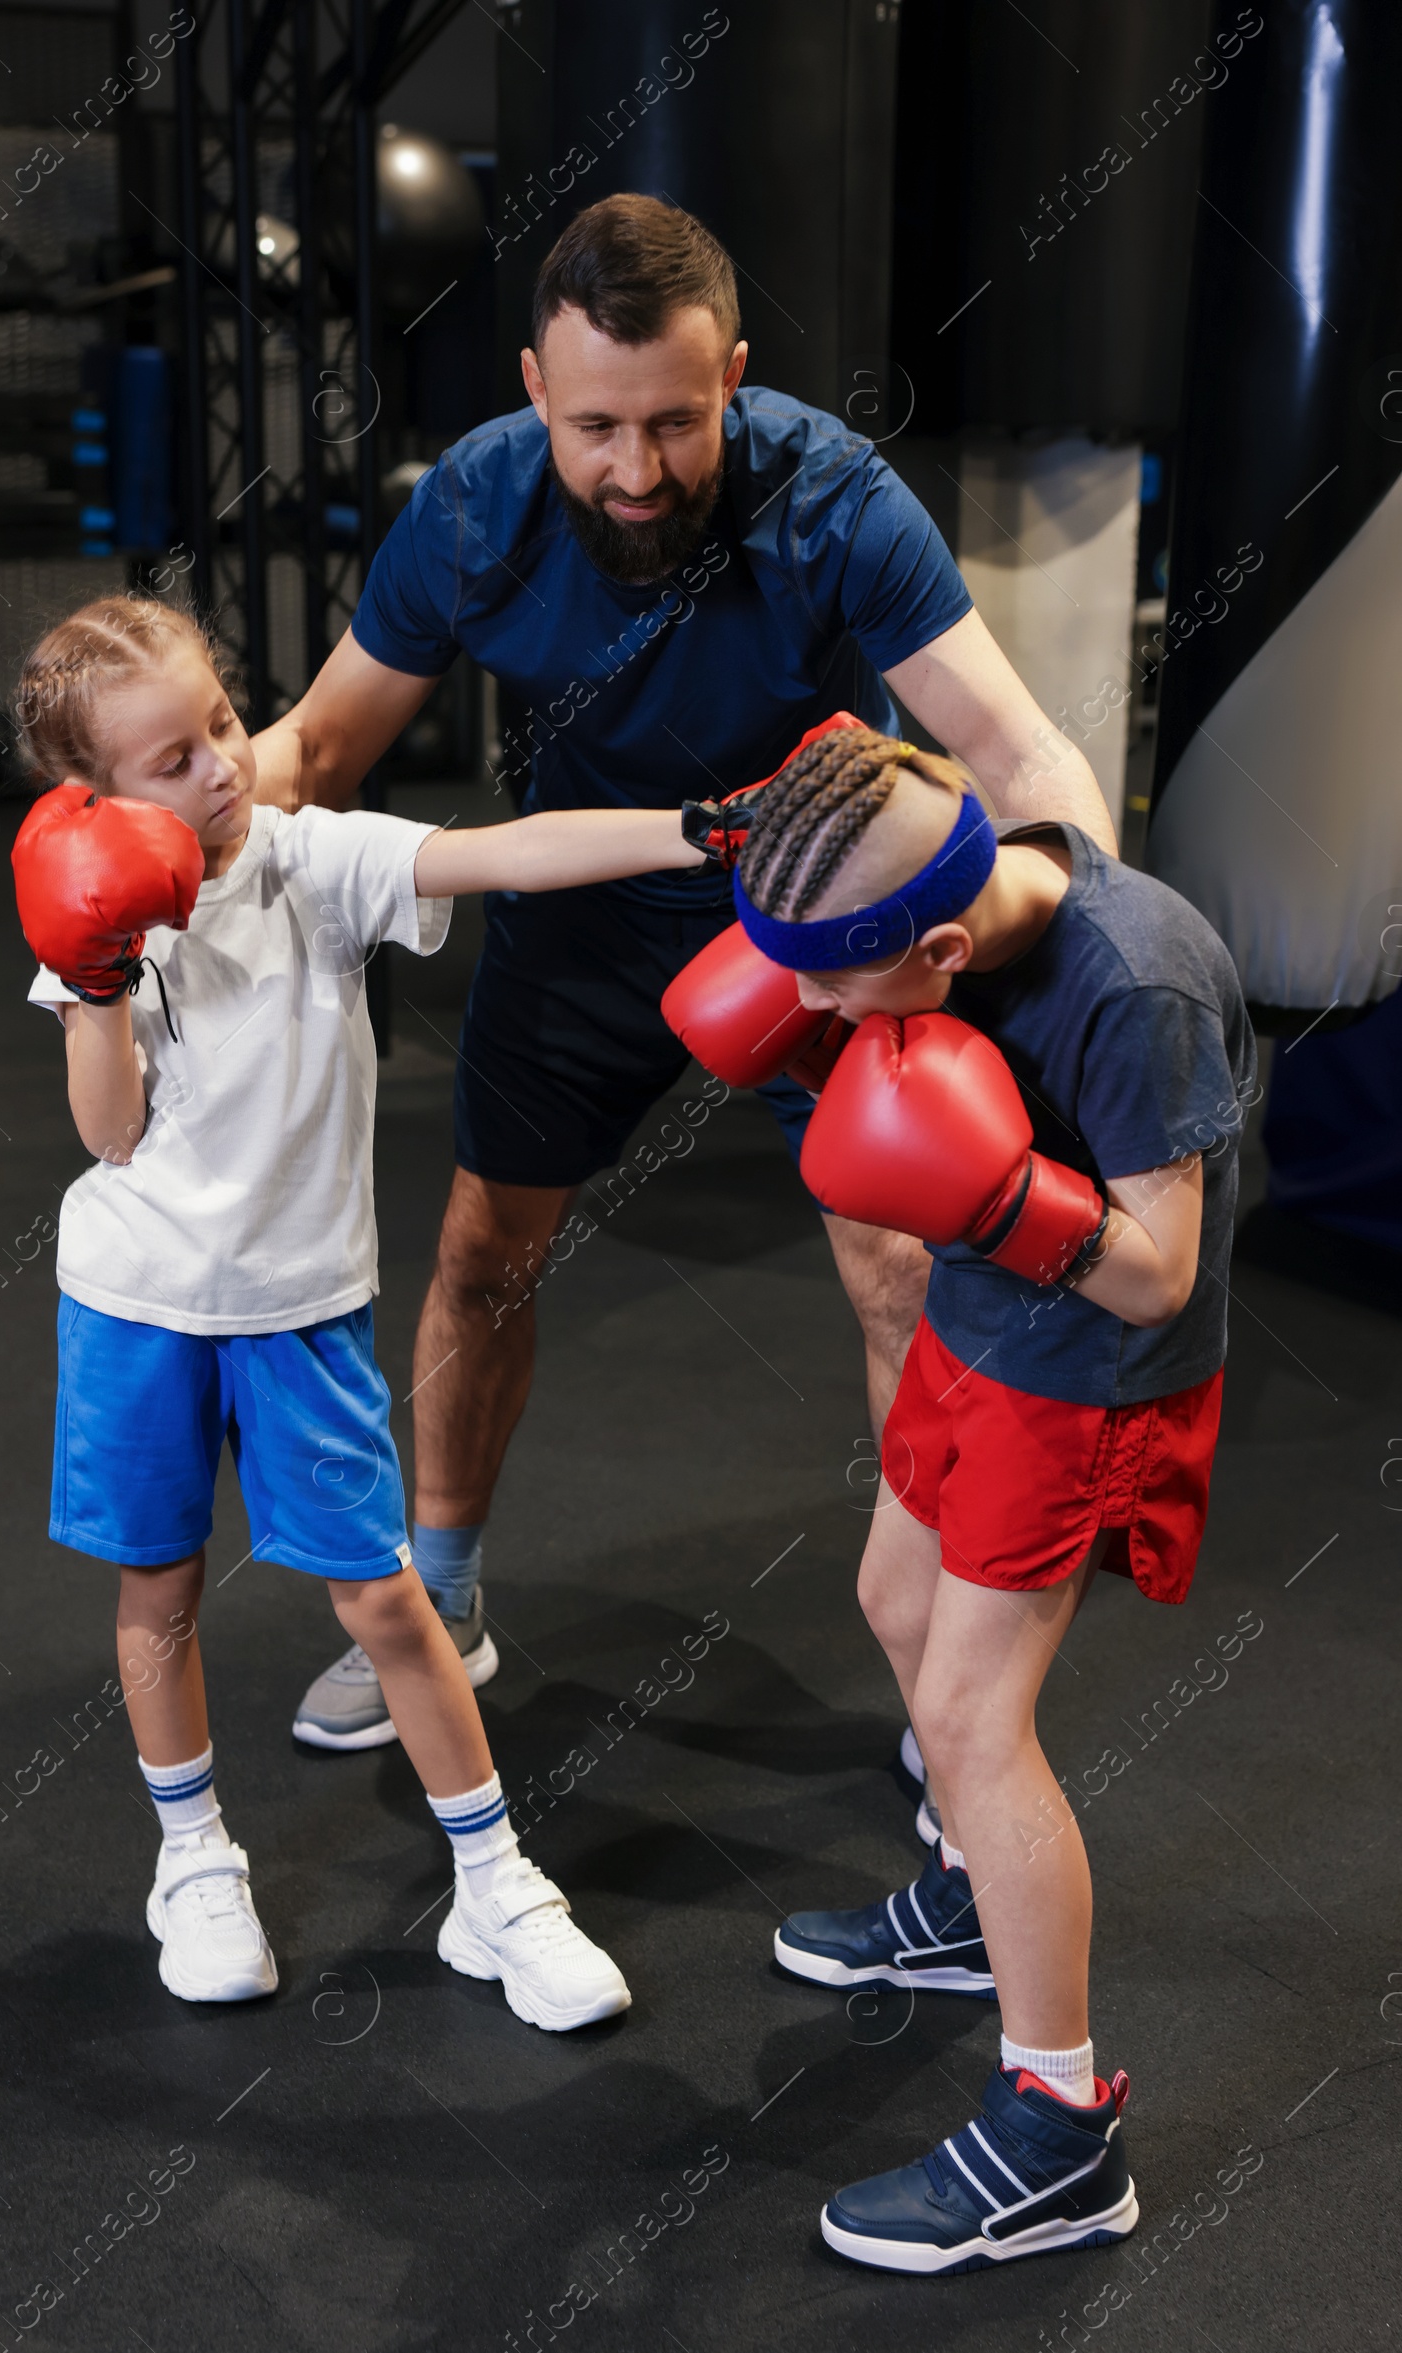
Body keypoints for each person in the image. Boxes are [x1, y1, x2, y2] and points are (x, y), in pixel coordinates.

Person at [255, 192, 1119, 1753]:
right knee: (475, 1256)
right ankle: (442, 1595)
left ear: (732, 375)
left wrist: (1078, 901)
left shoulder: (835, 500)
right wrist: (160, 814)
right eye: (596, 425)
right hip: (587, 901)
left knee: (904, 1272)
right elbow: (315, 749)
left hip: (819, 917)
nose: (635, 471)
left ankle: (951, 1674)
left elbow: (1014, 743)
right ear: (534, 386)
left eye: (673, 420)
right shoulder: (474, 508)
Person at [9, 594, 711, 2026]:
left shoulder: (307, 862)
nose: (218, 766)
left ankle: (495, 1881)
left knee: (389, 1599)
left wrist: (695, 827)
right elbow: (110, 1136)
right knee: (160, 1587)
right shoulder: (88, 905)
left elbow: (502, 853)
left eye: (220, 724)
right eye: (172, 758)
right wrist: (93, 983)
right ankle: (194, 1860)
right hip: (137, 1303)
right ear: (91, 796)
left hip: (300, 1307)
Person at [686, 717, 1251, 2272]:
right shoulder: (936, 866)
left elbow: (1157, 1275)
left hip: (1084, 1379)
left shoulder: (1136, 989)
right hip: (978, 1325)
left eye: (832, 981)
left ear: (940, 942)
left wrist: (992, 1192)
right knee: (889, 1602)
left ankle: (1063, 2133)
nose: (802, 1010)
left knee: (977, 1723)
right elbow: (867, 774)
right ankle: (959, 1901)